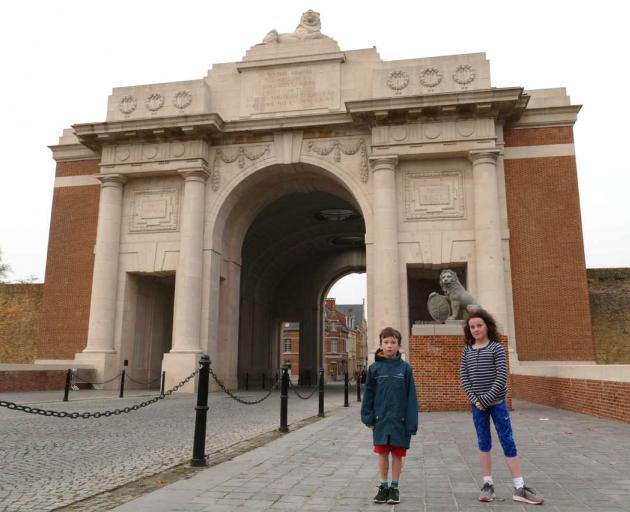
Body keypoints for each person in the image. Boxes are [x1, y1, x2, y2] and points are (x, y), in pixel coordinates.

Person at [460, 309, 544, 505]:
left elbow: (501, 377)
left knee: (507, 441)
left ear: (487, 326)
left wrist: (486, 400)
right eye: (472, 327)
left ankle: (519, 487)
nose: (476, 329)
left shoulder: (496, 348)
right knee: (484, 443)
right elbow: (464, 377)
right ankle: (488, 485)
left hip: (497, 404)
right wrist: (475, 400)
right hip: (477, 406)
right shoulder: (467, 351)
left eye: (479, 325)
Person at [361, 327, 418, 505]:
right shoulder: (374, 368)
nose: (389, 345)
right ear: (380, 344)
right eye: (386, 342)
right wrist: (368, 416)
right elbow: (368, 394)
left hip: (400, 420)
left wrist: (411, 422)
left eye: (393, 342)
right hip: (381, 419)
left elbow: (411, 397)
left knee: (398, 454)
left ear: (398, 345)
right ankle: (383, 486)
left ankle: (394, 487)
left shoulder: (405, 368)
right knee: (383, 454)